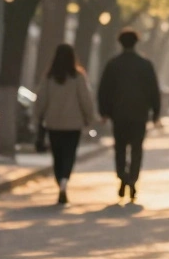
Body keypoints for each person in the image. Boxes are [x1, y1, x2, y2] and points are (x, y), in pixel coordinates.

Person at [98, 28, 161, 201]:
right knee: (136, 148)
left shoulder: (113, 64)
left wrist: (104, 112)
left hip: (118, 115)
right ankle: (133, 178)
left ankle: (122, 176)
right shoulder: (145, 65)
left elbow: (103, 90)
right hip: (139, 114)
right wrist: (155, 113)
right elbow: (154, 90)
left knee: (120, 148)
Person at [34, 44, 98, 205]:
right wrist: (90, 118)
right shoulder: (78, 76)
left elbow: (40, 100)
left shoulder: (48, 77)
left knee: (57, 155)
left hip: (53, 124)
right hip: (73, 124)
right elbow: (86, 99)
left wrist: (37, 118)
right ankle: (64, 180)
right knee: (70, 154)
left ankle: (59, 180)